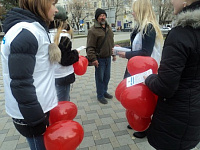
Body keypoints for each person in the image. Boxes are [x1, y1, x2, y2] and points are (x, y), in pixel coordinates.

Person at [1, 0, 58, 149]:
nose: (56, 9)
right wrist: (36, 119)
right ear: (41, 4)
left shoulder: (33, 28)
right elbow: (21, 82)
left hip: (35, 108)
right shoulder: (27, 32)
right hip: (32, 113)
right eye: (53, 4)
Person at [144, 0, 200, 149]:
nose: (170, 1)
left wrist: (149, 78)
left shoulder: (181, 33)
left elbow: (165, 87)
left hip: (174, 117)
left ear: (185, 2)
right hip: (194, 111)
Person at [116, 0, 163, 138]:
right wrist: (122, 50)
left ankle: (145, 126)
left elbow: (145, 52)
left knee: (144, 98)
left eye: (134, 10)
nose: (132, 12)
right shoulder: (141, 27)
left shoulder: (149, 28)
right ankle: (136, 120)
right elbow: (137, 48)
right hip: (137, 68)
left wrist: (126, 54)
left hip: (145, 71)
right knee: (135, 96)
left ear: (141, 10)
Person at [86, 8, 116, 104]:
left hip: (108, 58)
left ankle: (104, 91)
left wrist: (114, 54)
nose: (103, 17)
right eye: (100, 15)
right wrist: (93, 59)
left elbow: (111, 42)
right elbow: (90, 47)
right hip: (99, 59)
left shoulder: (108, 28)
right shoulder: (93, 30)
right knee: (100, 78)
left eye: (104, 15)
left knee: (107, 77)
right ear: (97, 17)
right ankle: (100, 95)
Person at [49, 6, 79, 101]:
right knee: (63, 102)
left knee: (53, 101)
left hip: (51, 75)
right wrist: (75, 53)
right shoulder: (64, 36)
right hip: (63, 75)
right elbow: (65, 60)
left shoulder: (46, 34)